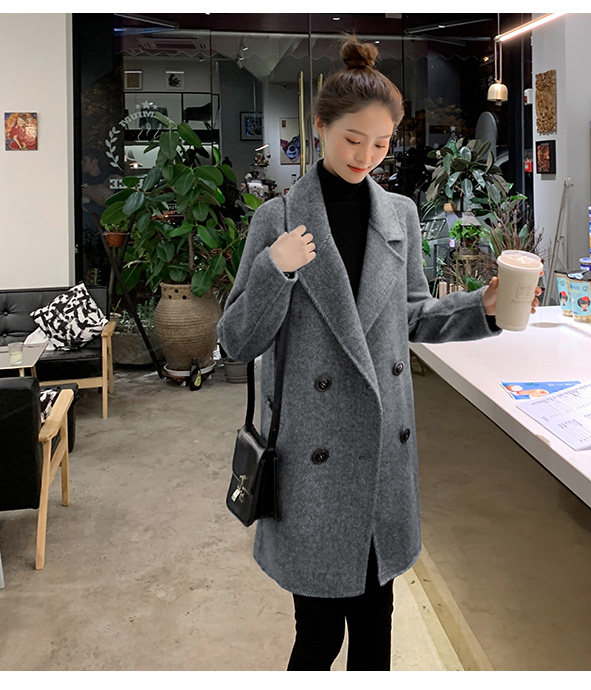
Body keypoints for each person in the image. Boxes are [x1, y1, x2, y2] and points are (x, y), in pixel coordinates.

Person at [217, 34, 542, 672]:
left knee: (375, 634)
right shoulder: (277, 220)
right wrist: (275, 270)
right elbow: (236, 341)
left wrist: (483, 306)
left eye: (382, 144)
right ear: (320, 128)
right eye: (352, 140)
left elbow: (412, 316)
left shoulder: (400, 216)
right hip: (311, 466)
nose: (365, 156)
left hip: (381, 461)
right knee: (317, 637)